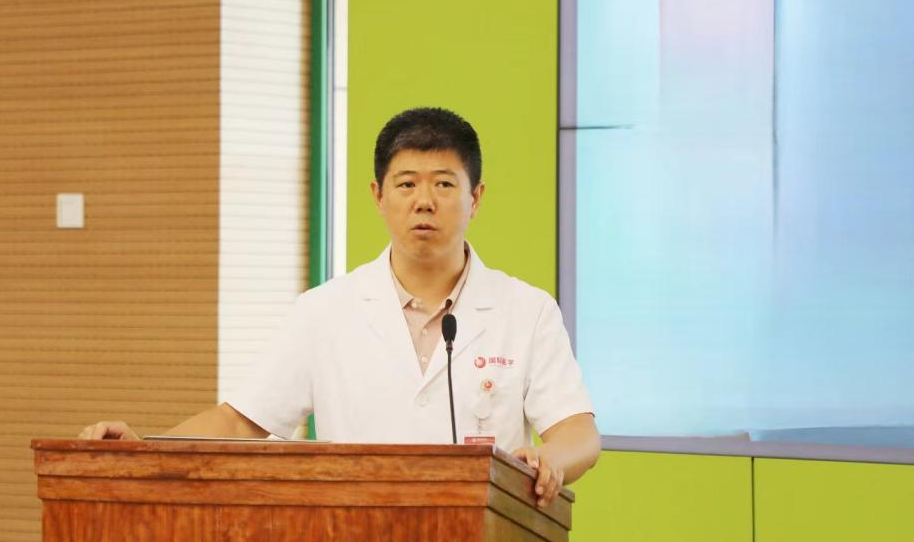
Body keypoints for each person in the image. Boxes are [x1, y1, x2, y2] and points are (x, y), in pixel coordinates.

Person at [80, 107, 600, 506]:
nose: (424, 201)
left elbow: (578, 433)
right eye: (406, 184)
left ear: (476, 197)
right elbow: (240, 423)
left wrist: (547, 459)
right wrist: (142, 447)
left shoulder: (526, 310)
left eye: (444, 184)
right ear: (378, 195)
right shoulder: (324, 310)